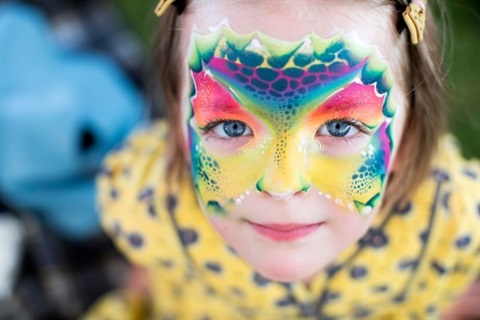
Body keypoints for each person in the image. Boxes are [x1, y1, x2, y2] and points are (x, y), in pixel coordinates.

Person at [85, 0, 480, 318]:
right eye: (231, 127)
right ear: (178, 127)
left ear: (408, 136)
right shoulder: (151, 198)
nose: (281, 184)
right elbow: (147, 274)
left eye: (340, 128)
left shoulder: (451, 222)